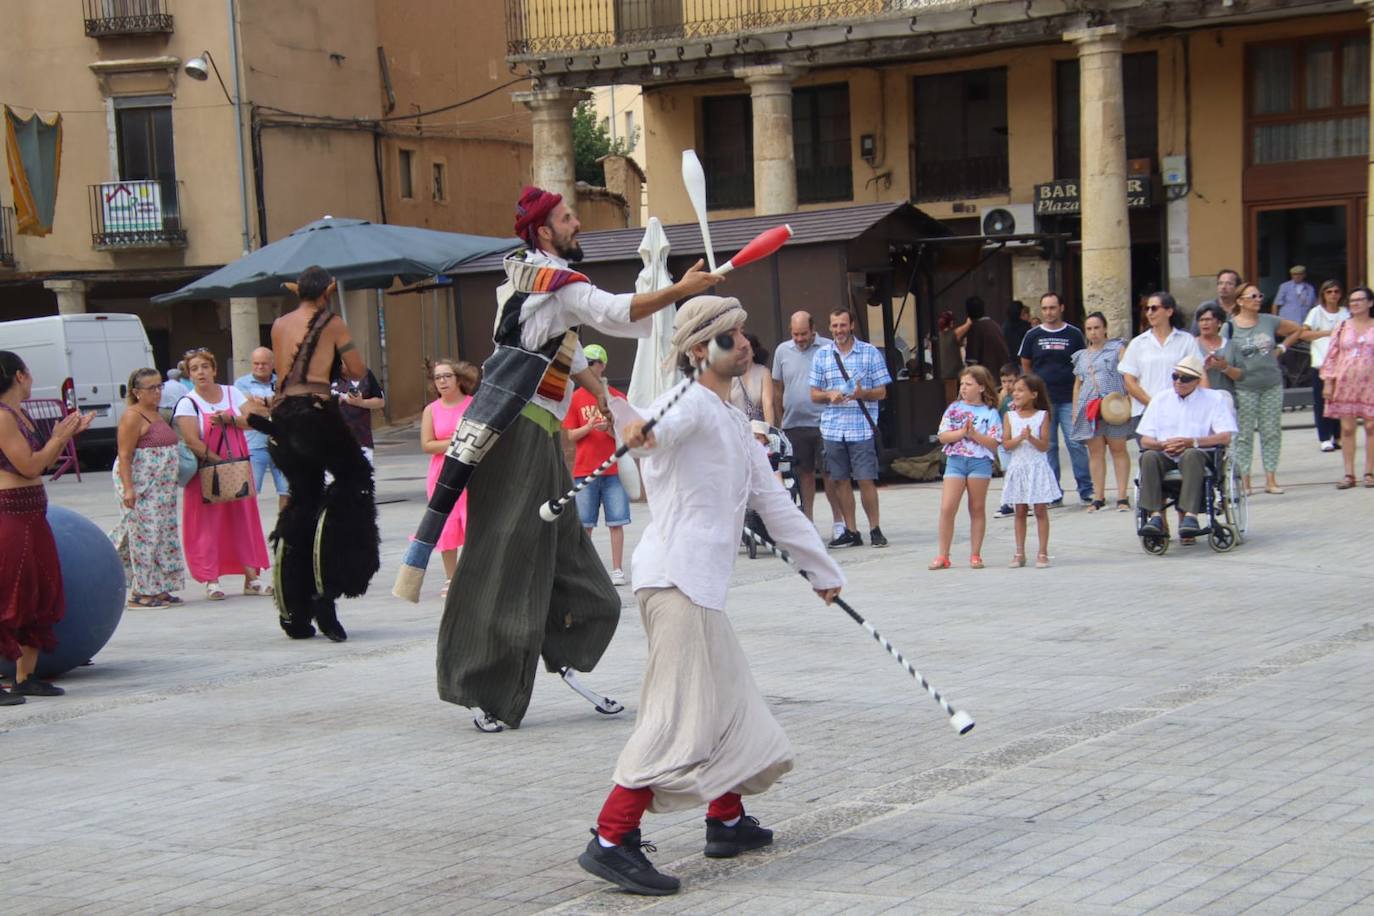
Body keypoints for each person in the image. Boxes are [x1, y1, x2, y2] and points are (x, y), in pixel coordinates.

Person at [576, 295, 844, 897]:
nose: (744, 342)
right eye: (731, 335)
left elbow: (773, 503)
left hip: (696, 585)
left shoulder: (731, 417)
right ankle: (611, 838)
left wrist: (821, 571)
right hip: (675, 581)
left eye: (744, 332)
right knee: (679, 716)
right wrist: (635, 429)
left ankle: (724, 820)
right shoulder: (690, 404)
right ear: (702, 351)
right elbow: (653, 436)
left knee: (726, 703)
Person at [435, 185, 723, 734]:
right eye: (569, 219)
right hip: (517, 436)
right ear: (544, 231)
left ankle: (558, 640)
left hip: (539, 439)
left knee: (569, 554)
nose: (578, 225)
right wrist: (680, 290)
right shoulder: (554, 284)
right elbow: (616, 312)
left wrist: (603, 392)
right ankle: (484, 683)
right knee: (505, 558)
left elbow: (566, 347)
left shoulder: (526, 279)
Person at [249, 266, 377, 642]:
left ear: (296, 290)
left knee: (302, 500)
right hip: (317, 414)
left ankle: (293, 609)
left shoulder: (278, 324)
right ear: (329, 290)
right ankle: (329, 588)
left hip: (284, 416)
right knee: (355, 480)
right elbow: (357, 371)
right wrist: (340, 358)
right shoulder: (333, 322)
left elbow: (284, 371)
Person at [0, 351, 93, 705]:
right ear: (19, 376)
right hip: (10, 513)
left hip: (32, 512)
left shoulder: (17, 413)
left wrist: (64, 436)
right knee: (8, 593)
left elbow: (42, 460)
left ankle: (26, 676)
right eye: (28, 372)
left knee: (36, 591)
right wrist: (58, 437)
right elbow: (28, 466)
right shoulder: (2, 416)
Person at [173, 348, 272, 602]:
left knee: (244, 520)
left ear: (214, 369)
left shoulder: (232, 392)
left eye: (204, 367)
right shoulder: (188, 402)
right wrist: (218, 463)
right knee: (207, 526)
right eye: (194, 369)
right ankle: (211, 580)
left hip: (237, 466)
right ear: (189, 374)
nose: (200, 372)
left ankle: (252, 577)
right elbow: (192, 441)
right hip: (208, 470)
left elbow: (253, 420)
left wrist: (229, 419)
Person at [809, 308, 892, 548]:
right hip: (833, 428)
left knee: (866, 479)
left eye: (843, 325)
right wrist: (829, 395)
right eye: (834, 326)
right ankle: (851, 530)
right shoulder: (823, 355)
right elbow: (813, 394)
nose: (838, 331)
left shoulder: (869, 353)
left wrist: (862, 393)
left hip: (861, 427)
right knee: (839, 480)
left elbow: (882, 391)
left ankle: (875, 528)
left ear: (852, 325)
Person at [1136, 355, 1238, 539]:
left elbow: (1225, 436)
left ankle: (1190, 517)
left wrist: (1192, 442)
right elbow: (1145, 439)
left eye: (1185, 378)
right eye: (1176, 377)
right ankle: (1156, 516)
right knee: (1148, 456)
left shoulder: (1213, 399)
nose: (1179, 382)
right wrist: (1162, 445)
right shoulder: (1160, 399)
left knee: (1191, 454)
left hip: (1198, 454)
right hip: (1165, 453)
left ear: (1198, 381)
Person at [111, 367, 185, 608]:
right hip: (143, 485)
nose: (157, 392)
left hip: (162, 489)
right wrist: (129, 488)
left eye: (159, 386)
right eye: (151, 388)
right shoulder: (133, 416)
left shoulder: (156, 413)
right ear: (137, 392)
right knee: (145, 536)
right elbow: (124, 455)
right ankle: (141, 592)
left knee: (164, 535)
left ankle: (160, 586)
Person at [771, 311, 845, 537]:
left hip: (825, 421)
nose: (800, 339)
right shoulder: (782, 350)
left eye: (804, 334)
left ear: (813, 329)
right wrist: (779, 417)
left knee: (830, 473)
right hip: (794, 423)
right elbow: (777, 387)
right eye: (795, 334)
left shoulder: (828, 348)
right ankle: (808, 522)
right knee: (804, 474)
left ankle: (838, 522)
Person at [562, 343, 631, 586]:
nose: (590, 368)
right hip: (585, 469)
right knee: (585, 524)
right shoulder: (574, 398)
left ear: (603, 365)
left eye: (593, 363)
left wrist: (610, 429)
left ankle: (617, 569)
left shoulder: (617, 397)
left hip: (614, 469)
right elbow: (570, 435)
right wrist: (589, 427)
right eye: (585, 364)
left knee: (617, 521)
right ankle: (585, 570)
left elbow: (627, 436)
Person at [1226, 282, 1303, 495]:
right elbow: (1222, 351)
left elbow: (1297, 329)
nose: (1258, 299)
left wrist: (1281, 348)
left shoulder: (1269, 321)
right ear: (1240, 301)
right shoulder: (1230, 327)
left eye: (1260, 295)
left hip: (1271, 384)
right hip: (1244, 387)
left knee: (1271, 431)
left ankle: (1271, 479)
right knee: (1244, 435)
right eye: (1253, 296)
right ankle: (1246, 481)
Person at [1018, 292, 1090, 505]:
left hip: (1069, 398)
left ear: (1061, 308)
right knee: (1048, 446)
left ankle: (1086, 489)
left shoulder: (1074, 334)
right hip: (1043, 401)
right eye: (1045, 308)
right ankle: (1053, 492)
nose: (1049, 312)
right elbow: (1026, 364)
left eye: (1052, 308)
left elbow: (1082, 365)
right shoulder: (1032, 335)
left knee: (1075, 443)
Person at [929, 366, 1002, 570]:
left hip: (979, 461)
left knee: (976, 507)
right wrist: (962, 432)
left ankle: (975, 554)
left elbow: (995, 441)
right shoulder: (954, 408)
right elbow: (943, 435)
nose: (963, 388)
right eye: (962, 384)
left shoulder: (990, 412)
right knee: (947, 507)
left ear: (981, 387)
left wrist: (975, 435)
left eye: (969, 384)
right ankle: (943, 554)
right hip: (956, 460)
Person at [420, 358, 480, 589]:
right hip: (441, 473)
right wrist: (456, 442)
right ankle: (452, 578)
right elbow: (427, 445)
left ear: (459, 378)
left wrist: (448, 443)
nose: (442, 381)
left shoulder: (473, 404)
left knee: (473, 523)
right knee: (446, 525)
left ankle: (474, 576)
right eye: (438, 377)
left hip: (471, 471)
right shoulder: (431, 410)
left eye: (447, 376)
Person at [1070, 312, 1134, 512]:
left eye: (1097, 327)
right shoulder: (1081, 356)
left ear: (1105, 328)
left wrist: (1129, 399)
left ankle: (1122, 496)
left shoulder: (1117, 349)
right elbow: (1077, 384)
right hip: (1090, 407)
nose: (1093, 332)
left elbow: (1128, 375)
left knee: (1118, 449)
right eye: (1089, 329)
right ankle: (1098, 496)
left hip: (1114, 404)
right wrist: (1075, 409)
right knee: (1095, 452)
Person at [1002, 373, 1061, 569]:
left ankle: (1042, 552)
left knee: (1040, 510)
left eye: (1021, 390)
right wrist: (1020, 438)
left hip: (1037, 467)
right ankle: (1019, 552)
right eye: (1015, 390)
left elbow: (1044, 446)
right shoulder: (1009, 416)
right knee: (1019, 511)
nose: (1016, 394)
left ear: (1034, 394)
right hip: (1018, 468)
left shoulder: (1042, 415)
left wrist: (1030, 438)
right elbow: (1007, 444)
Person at [1321, 286, 1374, 489]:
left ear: (1370, 303)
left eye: (1360, 300)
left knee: (1371, 427)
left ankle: (1369, 472)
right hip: (1345, 383)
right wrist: (1328, 381)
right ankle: (1349, 473)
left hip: (1370, 383)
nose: (1355, 303)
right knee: (1347, 428)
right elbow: (1332, 355)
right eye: (1352, 300)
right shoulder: (1342, 326)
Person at [1120, 290, 1199, 422]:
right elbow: (1129, 380)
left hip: (1180, 410)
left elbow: (1198, 374)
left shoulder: (1186, 340)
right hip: (1146, 412)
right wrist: (1152, 404)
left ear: (1169, 312)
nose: (1149, 313)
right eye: (1147, 308)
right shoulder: (1137, 343)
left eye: (1154, 308)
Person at [234, 347, 288, 510]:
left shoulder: (282, 383)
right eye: (256, 363)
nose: (259, 367)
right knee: (250, 492)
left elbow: (287, 408)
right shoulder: (241, 383)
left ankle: (284, 531)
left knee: (287, 491)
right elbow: (248, 411)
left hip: (281, 444)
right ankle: (250, 532)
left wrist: (261, 403)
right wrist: (273, 404)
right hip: (254, 445)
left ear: (272, 364)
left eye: (264, 363)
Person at [1301, 280, 1350, 451]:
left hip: (1341, 364)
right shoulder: (1316, 312)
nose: (1333, 295)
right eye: (1329, 292)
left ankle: (1338, 436)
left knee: (1340, 402)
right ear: (1323, 294)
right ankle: (1324, 437)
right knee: (1321, 402)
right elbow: (1304, 333)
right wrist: (1328, 333)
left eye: (1336, 291)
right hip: (1320, 363)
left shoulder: (1345, 313)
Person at [332, 366, 386, 467]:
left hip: (362, 440)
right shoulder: (325, 375)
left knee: (362, 479)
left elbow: (380, 402)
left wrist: (361, 402)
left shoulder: (365, 374)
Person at [1195, 303, 1244, 406]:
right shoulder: (1190, 344)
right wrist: (1202, 368)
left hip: (1226, 401)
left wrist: (1225, 367)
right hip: (1197, 401)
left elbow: (1241, 376)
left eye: (1208, 320)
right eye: (1201, 320)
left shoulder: (1232, 346)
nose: (1204, 323)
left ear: (1219, 323)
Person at [728, 332, 776, 426]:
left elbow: (767, 404)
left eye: (746, 349)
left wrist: (769, 431)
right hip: (736, 429)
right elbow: (725, 405)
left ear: (753, 352)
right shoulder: (730, 374)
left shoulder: (763, 372)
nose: (742, 353)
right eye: (739, 350)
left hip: (757, 431)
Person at [993, 361, 1020, 519]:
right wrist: (1000, 399)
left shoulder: (1021, 394)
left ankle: (1024, 501)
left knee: (1020, 470)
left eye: (1011, 381)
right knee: (1007, 470)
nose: (1007, 385)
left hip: (1019, 439)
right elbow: (992, 413)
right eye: (1004, 381)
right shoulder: (999, 396)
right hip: (1004, 440)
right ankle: (1008, 502)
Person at [963, 296, 1010, 373]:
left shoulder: (975, 328)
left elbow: (972, 360)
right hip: (1001, 372)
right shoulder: (994, 325)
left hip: (987, 375)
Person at [1189, 268, 1242, 333]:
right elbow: (1194, 334)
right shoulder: (1206, 307)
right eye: (1220, 283)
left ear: (1237, 287)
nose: (1223, 287)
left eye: (1229, 283)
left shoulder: (1243, 308)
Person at [936, 310, 971, 404]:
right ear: (951, 323)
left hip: (941, 373)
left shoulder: (937, 336)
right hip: (953, 374)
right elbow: (968, 324)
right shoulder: (954, 334)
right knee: (952, 401)